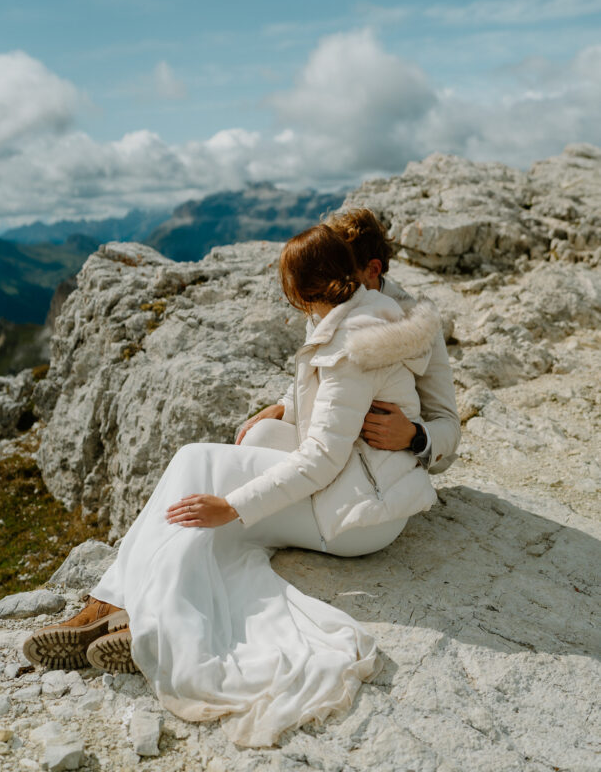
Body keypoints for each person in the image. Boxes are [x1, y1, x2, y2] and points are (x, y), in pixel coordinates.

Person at [23, 224, 443, 747]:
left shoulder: (354, 343)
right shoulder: (360, 318)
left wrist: (232, 505)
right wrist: (286, 407)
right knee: (217, 478)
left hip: (358, 510)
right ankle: (127, 607)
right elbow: (336, 411)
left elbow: (320, 460)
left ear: (312, 285)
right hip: (357, 482)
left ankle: (136, 614)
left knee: (205, 484)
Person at [238, 208, 461, 473]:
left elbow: (448, 425)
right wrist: (284, 407)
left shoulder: (417, 322)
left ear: (373, 269)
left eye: (341, 271)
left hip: (382, 462)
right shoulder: (330, 301)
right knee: (256, 437)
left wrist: (415, 435)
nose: (329, 284)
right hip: (330, 433)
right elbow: (316, 375)